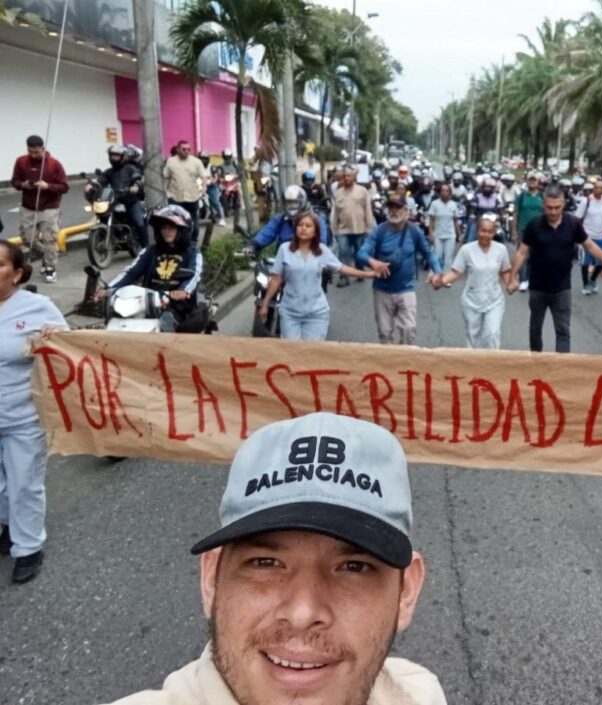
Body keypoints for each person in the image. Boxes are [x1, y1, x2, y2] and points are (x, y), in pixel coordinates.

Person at [101, 412, 446, 705]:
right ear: (211, 579)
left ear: (406, 592)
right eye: (265, 563)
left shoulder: (422, 694)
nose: (302, 613)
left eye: (354, 567)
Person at [0, 239, 67, 584]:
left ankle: (27, 548)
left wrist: (55, 339)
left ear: (17, 274)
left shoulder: (37, 307)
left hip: (23, 416)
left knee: (24, 482)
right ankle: (11, 524)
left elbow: (73, 352)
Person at [508, 185, 602, 354]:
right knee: (535, 330)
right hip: (538, 288)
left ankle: (562, 368)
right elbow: (521, 252)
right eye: (549, 207)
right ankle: (536, 362)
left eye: (557, 207)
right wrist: (512, 278)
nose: (553, 212)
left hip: (562, 289)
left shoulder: (573, 224)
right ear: (543, 205)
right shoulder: (534, 225)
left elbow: (590, 245)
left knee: (563, 331)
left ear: (563, 204)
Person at [259, 211, 373, 341]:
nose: (303, 228)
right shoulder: (284, 249)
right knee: (291, 353)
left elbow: (341, 268)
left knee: (312, 354)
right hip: (290, 311)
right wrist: (265, 304)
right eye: (300, 225)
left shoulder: (322, 250)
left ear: (315, 231)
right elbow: (276, 279)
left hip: (316, 312)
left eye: (308, 226)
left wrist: (367, 274)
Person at [99, 205, 203, 333]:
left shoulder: (192, 253)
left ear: (182, 230)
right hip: (148, 302)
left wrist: (183, 291)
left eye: (171, 227)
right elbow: (131, 272)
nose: (166, 231)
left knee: (167, 321)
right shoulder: (150, 251)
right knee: (117, 317)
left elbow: (195, 275)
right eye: (163, 227)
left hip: (177, 305)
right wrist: (108, 289)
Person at [357, 193, 443, 345]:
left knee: (409, 330)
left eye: (398, 207)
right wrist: (374, 262)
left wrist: (437, 272)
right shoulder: (380, 231)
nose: (394, 211)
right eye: (391, 207)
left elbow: (429, 253)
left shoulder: (414, 232)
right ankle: (389, 364)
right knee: (384, 332)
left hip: (406, 289)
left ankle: (405, 362)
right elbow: (361, 253)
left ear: (406, 210)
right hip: (382, 290)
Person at [433, 215, 511, 349]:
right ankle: (472, 365)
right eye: (482, 231)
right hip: (471, 300)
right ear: (477, 231)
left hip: (494, 300)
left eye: (489, 232)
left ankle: (491, 365)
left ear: (493, 233)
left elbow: (505, 271)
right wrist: (442, 281)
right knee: (473, 336)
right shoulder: (466, 250)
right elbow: (456, 272)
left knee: (492, 334)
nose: (485, 235)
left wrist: (510, 284)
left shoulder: (501, 249)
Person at [11, 135, 69, 283]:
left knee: (50, 239)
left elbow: (64, 187)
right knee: (27, 239)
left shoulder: (54, 164)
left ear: (43, 148)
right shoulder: (21, 161)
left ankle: (50, 268)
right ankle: (46, 254)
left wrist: (48, 186)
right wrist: (23, 185)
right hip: (28, 206)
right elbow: (14, 181)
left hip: (49, 207)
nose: (34, 155)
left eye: (36, 152)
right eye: (31, 152)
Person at [87, 145, 147, 251]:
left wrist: (136, 186)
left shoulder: (130, 168)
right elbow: (101, 181)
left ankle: (146, 248)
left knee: (139, 222)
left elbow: (138, 177)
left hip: (130, 201)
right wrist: (91, 185)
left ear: (122, 157)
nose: (114, 158)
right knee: (103, 216)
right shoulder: (109, 172)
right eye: (112, 156)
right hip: (115, 201)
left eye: (117, 156)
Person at [332, 165, 375, 288]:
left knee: (359, 253)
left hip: (359, 229)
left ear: (354, 177)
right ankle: (344, 277)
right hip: (342, 229)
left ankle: (360, 271)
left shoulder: (362, 191)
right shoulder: (338, 193)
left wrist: (369, 227)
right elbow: (335, 213)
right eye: (344, 176)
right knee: (343, 253)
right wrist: (334, 229)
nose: (346, 178)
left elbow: (368, 209)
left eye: (349, 176)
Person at [575, 179, 602, 295]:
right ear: (593, 189)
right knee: (585, 262)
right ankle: (585, 285)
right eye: (597, 188)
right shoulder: (587, 201)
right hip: (587, 236)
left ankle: (592, 280)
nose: (599, 190)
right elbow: (577, 218)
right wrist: (578, 234)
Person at [163, 140, 206, 243]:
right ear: (178, 149)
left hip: (192, 197)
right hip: (175, 197)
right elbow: (166, 177)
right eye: (184, 149)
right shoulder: (170, 161)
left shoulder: (196, 162)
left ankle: (193, 242)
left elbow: (203, 177)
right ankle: (178, 243)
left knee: (193, 223)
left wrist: (203, 188)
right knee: (176, 223)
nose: (186, 151)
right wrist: (165, 193)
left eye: (188, 149)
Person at [512, 171, 545, 292]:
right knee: (522, 255)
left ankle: (532, 279)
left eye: (534, 180)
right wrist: (514, 231)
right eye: (530, 180)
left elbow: (546, 213)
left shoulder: (542, 196)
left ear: (538, 182)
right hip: (523, 229)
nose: (532, 182)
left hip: (539, 230)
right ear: (527, 181)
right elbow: (516, 213)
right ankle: (522, 280)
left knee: (535, 256)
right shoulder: (521, 196)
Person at [427, 183, 461, 272]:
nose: (445, 192)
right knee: (437, 256)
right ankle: (435, 274)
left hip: (450, 234)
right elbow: (431, 221)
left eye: (447, 191)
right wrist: (430, 234)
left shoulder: (453, 204)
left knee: (449, 257)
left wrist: (459, 234)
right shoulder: (434, 204)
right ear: (439, 192)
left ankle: (446, 277)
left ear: (450, 193)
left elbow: (455, 221)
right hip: (438, 234)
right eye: (443, 190)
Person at [200, 151, 226, 226]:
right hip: (200, 186)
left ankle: (222, 218)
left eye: (205, 159)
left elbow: (215, 178)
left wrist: (209, 181)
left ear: (208, 159)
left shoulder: (212, 167)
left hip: (212, 186)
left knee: (215, 202)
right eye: (201, 159)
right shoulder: (198, 167)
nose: (203, 160)